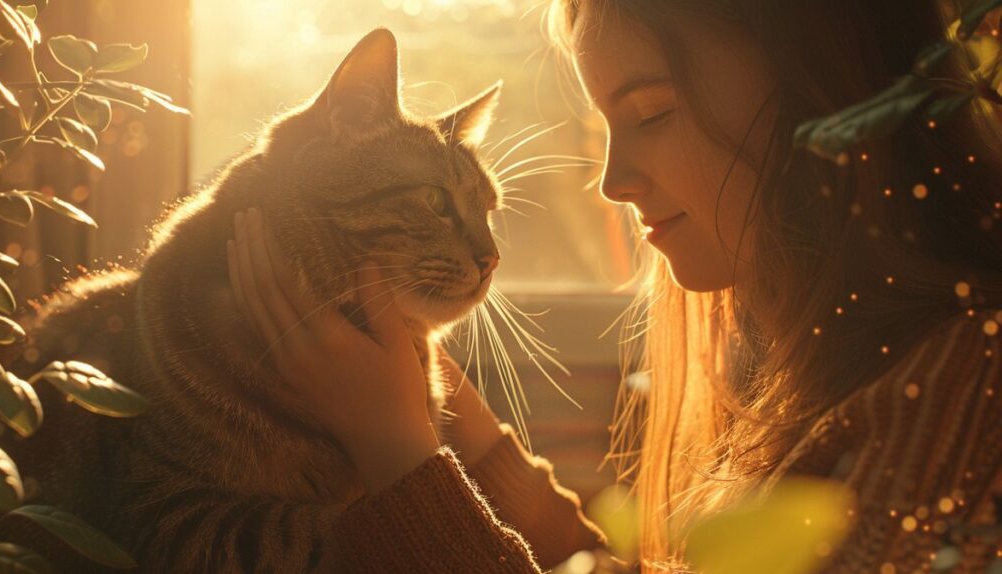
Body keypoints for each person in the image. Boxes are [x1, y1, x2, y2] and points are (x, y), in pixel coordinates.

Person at [226, 0, 1002, 571]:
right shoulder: (795, 363)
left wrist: (396, 451)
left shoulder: (960, 396)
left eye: (653, 113)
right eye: (605, 126)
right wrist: (468, 435)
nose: (611, 181)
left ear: (823, 93)